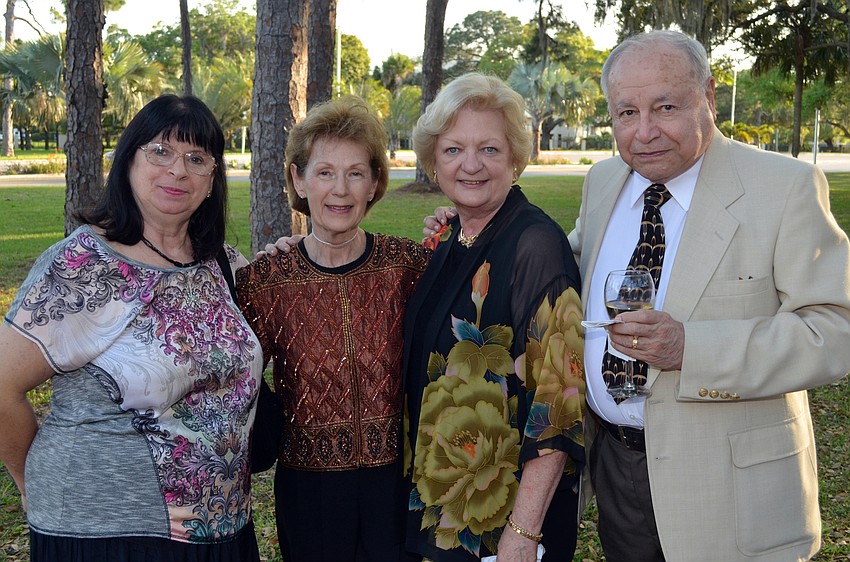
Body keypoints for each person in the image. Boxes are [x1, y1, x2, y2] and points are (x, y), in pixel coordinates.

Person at [569, 30, 850, 561]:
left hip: (735, 494)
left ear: (709, 97)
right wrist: (470, 229)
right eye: (626, 113)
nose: (645, 132)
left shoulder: (784, 187)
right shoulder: (603, 181)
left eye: (666, 107)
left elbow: (834, 330)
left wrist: (690, 349)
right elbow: (564, 270)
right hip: (616, 472)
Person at [0, 94, 264, 561]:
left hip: (220, 527)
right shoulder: (83, 265)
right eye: (160, 151)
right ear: (128, 162)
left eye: (196, 158)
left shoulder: (222, 265)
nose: (178, 170)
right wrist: (29, 481)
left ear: (212, 180)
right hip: (102, 533)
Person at [235, 95, 430, 562]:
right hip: (310, 496)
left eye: (355, 173)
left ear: (374, 183)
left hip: (396, 485)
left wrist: (452, 228)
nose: (340, 190)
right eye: (324, 172)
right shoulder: (266, 281)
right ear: (298, 180)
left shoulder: (408, 267)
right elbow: (230, 375)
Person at [404, 72, 585, 562]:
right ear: (433, 162)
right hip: (443, 510)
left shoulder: (535, 246)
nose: (471, 165)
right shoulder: (451, 239)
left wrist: (523, 533)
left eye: (489, 149)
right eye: (453, 149)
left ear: (514, 159)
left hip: (503, 526)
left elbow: (561, 402)